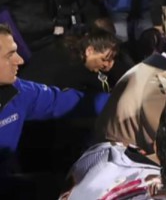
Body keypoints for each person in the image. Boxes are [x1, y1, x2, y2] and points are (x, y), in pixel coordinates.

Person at [0, 24, 106, 173]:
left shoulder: (19, 92)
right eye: (9, 55)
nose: (20, 60)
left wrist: (120, 101)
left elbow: (63, 101)